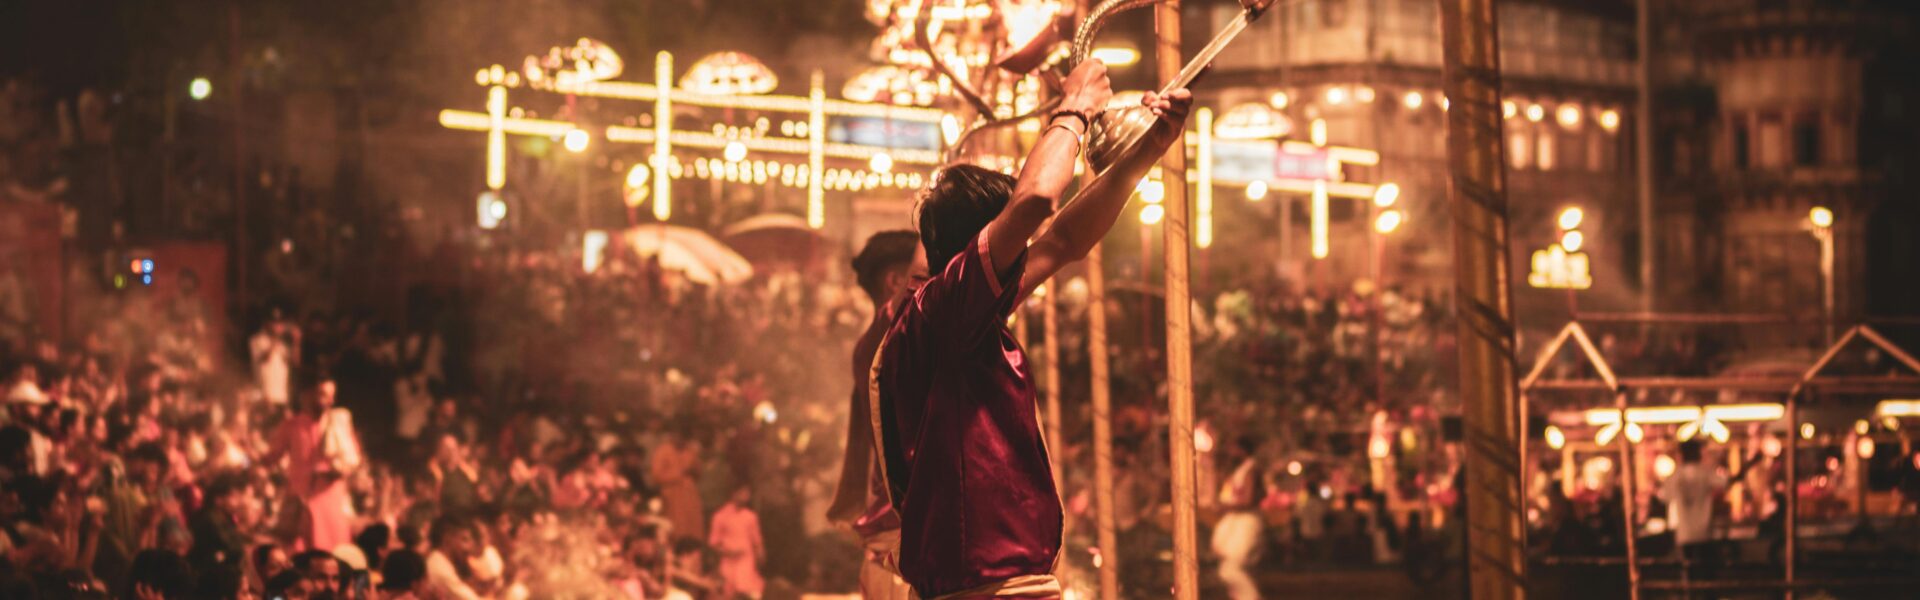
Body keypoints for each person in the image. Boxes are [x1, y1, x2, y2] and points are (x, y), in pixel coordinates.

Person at [870, 56, 1191, 598]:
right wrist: (1074, 110)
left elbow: (1063, 241)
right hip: (980, 587)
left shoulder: (966, 312)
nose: (1025, 255)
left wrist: (1152, 146)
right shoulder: (942, 309)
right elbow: (1038, 201)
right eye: (1011, 240)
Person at [828, 230, 919, 600]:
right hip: (902, 551)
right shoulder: (886, 334)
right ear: (896, 283)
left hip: (901, 544)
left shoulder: (893, 338)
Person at [266, 377, 362, 553]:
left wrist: (334, 470)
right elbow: (270, 458)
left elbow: (353, 459)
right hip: (301, 503)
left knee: (335, 555)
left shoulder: (339, 423)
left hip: (332, 502)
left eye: (332, 396)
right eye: (324, 395)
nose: (330, 401)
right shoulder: (292, 425)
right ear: (306, 396)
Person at [1211, 437, 1264, 600]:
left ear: (1242, 450)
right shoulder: (1240, 469)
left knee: (1229, 569)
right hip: (1235, 520)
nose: (1230, 453)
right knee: (1225, 564)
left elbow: (1248, 500)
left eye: (1233, 449)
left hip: (1246, 521)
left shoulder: (1251, 469)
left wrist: (1226, 506)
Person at [708, 485, 765, 599]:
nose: (745, 496)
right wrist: (728, 553)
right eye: (742, 492)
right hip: (728, 563)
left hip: (746, 562)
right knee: (728, 593)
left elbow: (757, 541)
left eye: (747, 493)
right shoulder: (720, 516)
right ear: (734, 493)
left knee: (749, 592)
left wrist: (760, 554)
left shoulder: (750, 517)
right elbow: (713, 543)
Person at [649, 430, 703, 541]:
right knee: (675, 529)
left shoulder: (690, 450)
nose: (680, 439)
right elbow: (656, 476)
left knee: (693, 529)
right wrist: (678, 474)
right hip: (671, 496)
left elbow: (698, 472)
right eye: (677, 436)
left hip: (689, 495)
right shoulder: (662, 451)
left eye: (683, 437)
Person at [424, 516, 483, 600]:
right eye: (464, 540)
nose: (469, 548)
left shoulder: (440, 562)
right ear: (447, 538)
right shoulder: (439, 568)